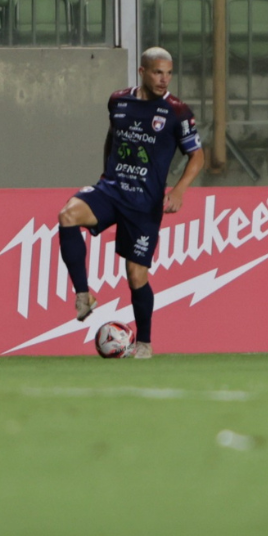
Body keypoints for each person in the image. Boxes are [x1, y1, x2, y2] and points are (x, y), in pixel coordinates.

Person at [56, 47, 205, 358]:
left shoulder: (177, 112)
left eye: (168, 73)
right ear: (142, 72)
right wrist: (104, 170)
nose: (164, 79)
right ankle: (83, 295)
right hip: (112, 190)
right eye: (157, 72)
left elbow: (197, 156)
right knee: (68, 214)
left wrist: (178, 191)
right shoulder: (118, 100)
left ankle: (145, 343)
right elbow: (113, 136)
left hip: (144, 203)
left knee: (136, 274)